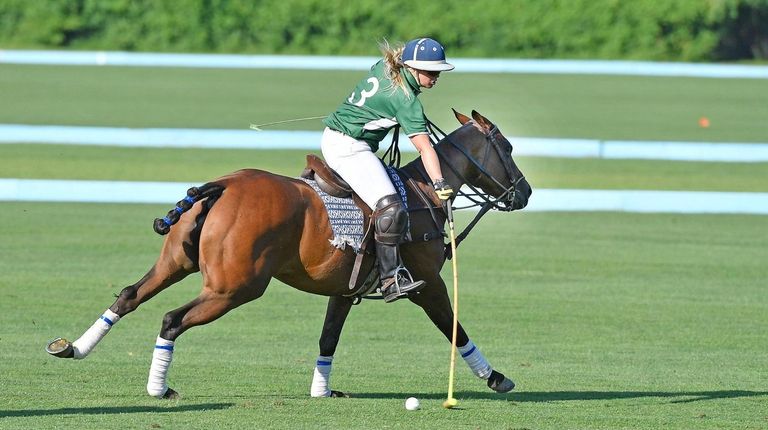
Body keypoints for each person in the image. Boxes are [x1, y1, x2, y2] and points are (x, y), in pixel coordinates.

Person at [321, 37, 455, 303]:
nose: (436, 76)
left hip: (335, 136)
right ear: (412, 68)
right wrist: (440, 184)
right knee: (392, 208)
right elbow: (425, 150)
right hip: (349, 147)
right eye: (430, 71)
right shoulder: (406, 101)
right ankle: (390, 278)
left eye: (438, 71)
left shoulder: (385, 66)